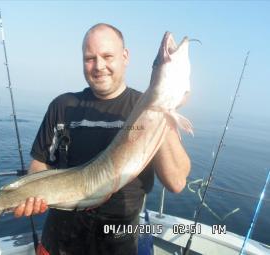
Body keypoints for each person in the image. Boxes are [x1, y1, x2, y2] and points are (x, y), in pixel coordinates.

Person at [14, 23, 191, 255]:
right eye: (89, 58)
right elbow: (40, 164)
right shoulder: (63, 106)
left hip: (118, 245)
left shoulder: (142, 108)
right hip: (58, 243)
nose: (99, 66)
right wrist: (33, 193)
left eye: (107, 56)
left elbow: (176, 182)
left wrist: (160, 110)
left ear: (125, 56)